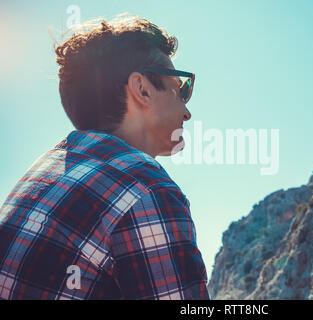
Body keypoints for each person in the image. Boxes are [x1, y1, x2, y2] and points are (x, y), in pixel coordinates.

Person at [0, 16, 209, 300]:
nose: (187, 111)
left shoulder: (44, 170)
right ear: (143, 89)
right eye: (181, 88)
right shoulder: (149, 190)